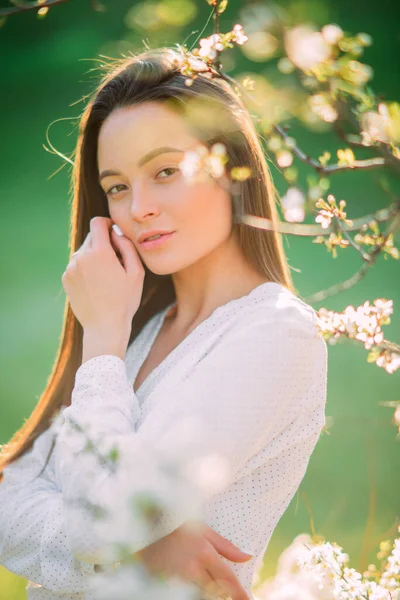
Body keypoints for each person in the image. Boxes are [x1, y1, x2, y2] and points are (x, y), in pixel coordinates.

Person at [0, 47, 328, 600]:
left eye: (166, 171)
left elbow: (104, 524)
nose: (138, 207)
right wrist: (145, 550)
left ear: (232, 168)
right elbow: (10, 492)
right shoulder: (140, 328)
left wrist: (102, 340)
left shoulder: (275, 334)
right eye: (118, 186)